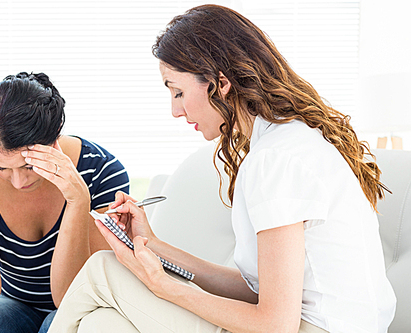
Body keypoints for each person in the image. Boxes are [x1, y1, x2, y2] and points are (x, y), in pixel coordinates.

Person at [47, 5, 396, 333]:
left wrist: (165, 286)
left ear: (220, 84)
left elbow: (275, 322)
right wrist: (151, 244)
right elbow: (256, 291)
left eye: (178, 92)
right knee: (105, 321)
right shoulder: (286, 142)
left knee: (101, 269)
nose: (175, 110)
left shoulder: (275, 159)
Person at [0, 72, 130, 333]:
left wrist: (78, 202)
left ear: (54, 141)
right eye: (2, 169)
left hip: (87, 306)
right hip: (15, 305)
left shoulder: (101, 170)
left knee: (57, 324)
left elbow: (70, 297)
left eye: (29, 165)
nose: (18, 181)